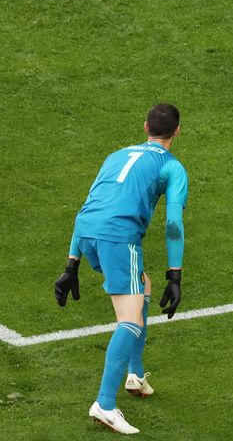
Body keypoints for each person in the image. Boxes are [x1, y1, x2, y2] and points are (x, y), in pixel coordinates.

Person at [54, 103, 188, 435]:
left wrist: (72, 265)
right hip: (118, 238)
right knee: (128, 319)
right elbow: (173, 223)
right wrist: (176, 275)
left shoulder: (115, 156)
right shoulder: (172, 168)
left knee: (143, 286)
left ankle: (136, 374)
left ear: (145, 127)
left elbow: (89, 206)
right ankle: (105, 404)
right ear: (177, 132)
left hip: (86, 232)